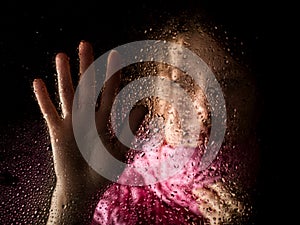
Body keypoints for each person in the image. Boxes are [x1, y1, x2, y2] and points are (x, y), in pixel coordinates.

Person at [33, 11, 259, 225]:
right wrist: (73, 197)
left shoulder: (251, 186)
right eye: (180, 83)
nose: (202, 108)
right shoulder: (122, 166)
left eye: (228, 84)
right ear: (157, 96)